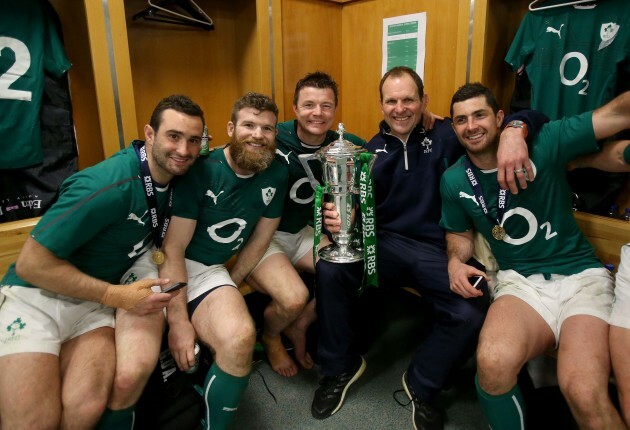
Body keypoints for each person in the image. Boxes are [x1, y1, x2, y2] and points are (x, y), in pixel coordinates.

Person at [312, 66, 547, 429]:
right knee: (330, 268)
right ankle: (340, 367)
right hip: (386, 246)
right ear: (381, 104)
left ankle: (422, 382)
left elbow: (536, 117)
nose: (400, 108)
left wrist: (516, 130)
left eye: (409, 99)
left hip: (439, 248)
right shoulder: (368, 154)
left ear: (425, 101)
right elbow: (359, 210)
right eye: (392, 101)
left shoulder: (450, 135)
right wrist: (343, 219)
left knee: (472, 310)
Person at [0, 94, 205, 430]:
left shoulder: (176, 179)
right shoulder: (107, 184)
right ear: (149, 134)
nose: (184, 150)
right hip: (35, 299)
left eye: (194, 140)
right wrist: (114, 296)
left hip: (90, 306)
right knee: (35, 422)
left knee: (86, 409)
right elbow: (30, 265)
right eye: (173, 136)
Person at [440, 83, 630, 429]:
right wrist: (455, 260)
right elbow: (458, 232)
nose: (471, 126)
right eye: (461, 120)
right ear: (453, 127)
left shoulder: (546, 142)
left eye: (480, 115)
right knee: (492, 363)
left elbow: (616, 114)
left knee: (583, 390)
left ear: (500, 118)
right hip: (520, 283)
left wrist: (519, 130)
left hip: (580, 279)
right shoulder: (454, 180)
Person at [105, 92, 287, 430]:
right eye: (249, 125)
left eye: (268, 128)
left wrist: (230, 287)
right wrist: (179, 322)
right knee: (130, 371)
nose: (258, 135)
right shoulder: (202, 169)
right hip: (157, 263)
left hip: (208, 270)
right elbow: (173, 250)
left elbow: (261, 240)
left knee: (241, 337)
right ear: (231, 128)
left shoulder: (277, 173)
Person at [247, 71, 366, 377]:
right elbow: (236, 146)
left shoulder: (344, 143)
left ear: (335, 109)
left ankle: (300, 326)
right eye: (309, 105)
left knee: (349, 270)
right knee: (294, 297)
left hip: (303, 233)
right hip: (263, 236)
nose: (318, 113)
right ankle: (271, 335)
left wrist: (350, 208)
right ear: (295, 108)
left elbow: (378, 155)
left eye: (326, 106)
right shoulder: (275, 134)